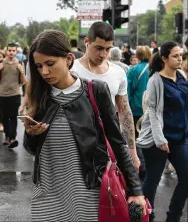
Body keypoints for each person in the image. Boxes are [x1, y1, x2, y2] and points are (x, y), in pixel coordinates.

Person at [23, 30, 146, 221]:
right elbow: (31, 149)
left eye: (50, 64)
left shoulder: (95, 91)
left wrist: (136, 189)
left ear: (68, 59)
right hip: (47, 196)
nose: (44, 72)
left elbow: (116, 141)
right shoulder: (40, 95)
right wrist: (31, 134)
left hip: (87, 194)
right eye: (38, 66)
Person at [71, 21, 141, 172]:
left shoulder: (118, 73)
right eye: (99, 48)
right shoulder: (71, 70)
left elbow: (125, 112)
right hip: (75, 145)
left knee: (108, 190)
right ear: (86, 42)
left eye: (108, 49)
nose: (103, 54)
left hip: (109, 146)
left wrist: (132, 152)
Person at [136, 42, 188, 222]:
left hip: (179, 138)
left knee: (186, 177)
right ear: (164, 58)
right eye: (175, 56)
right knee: (152, 180)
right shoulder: (155, 81)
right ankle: (145, 217)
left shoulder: (181, 76)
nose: (180, 58)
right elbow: (154, 112)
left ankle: (173, 217)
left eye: (180, 55)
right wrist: (160, 139)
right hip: (156, 139)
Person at [0, 42, 26, 148]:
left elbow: (23, 82)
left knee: (13, 117)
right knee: (4, 117)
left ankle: (12, 138)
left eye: (13, 50)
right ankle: (7, 135)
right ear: (6, 51)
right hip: (2, 94)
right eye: (9, 50)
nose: (11, 52)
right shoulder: (1, 62)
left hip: (15, 94)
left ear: (16, 52)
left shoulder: (20, 63)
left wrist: (21, 72)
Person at [127, 45, 151, 181]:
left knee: (136, 139)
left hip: (136, 109)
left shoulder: (133, 70)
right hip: (151, 110)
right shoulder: (155, 70)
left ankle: (141, 167)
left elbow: (127, 91)